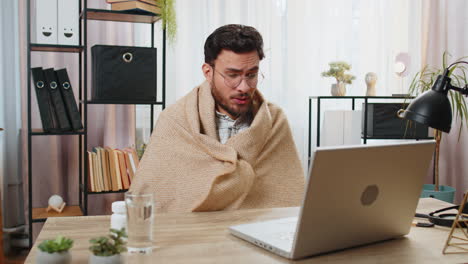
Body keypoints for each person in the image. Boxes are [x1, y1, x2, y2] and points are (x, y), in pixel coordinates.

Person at [130, 24, 305, 213]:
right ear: (208, 72)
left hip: (258, 234)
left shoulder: (275, 120)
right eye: (232, 75)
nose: (244, 87)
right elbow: (152, 200)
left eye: (252, 75)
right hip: (193, 235)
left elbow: (289, 201)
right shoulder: (175, 120)